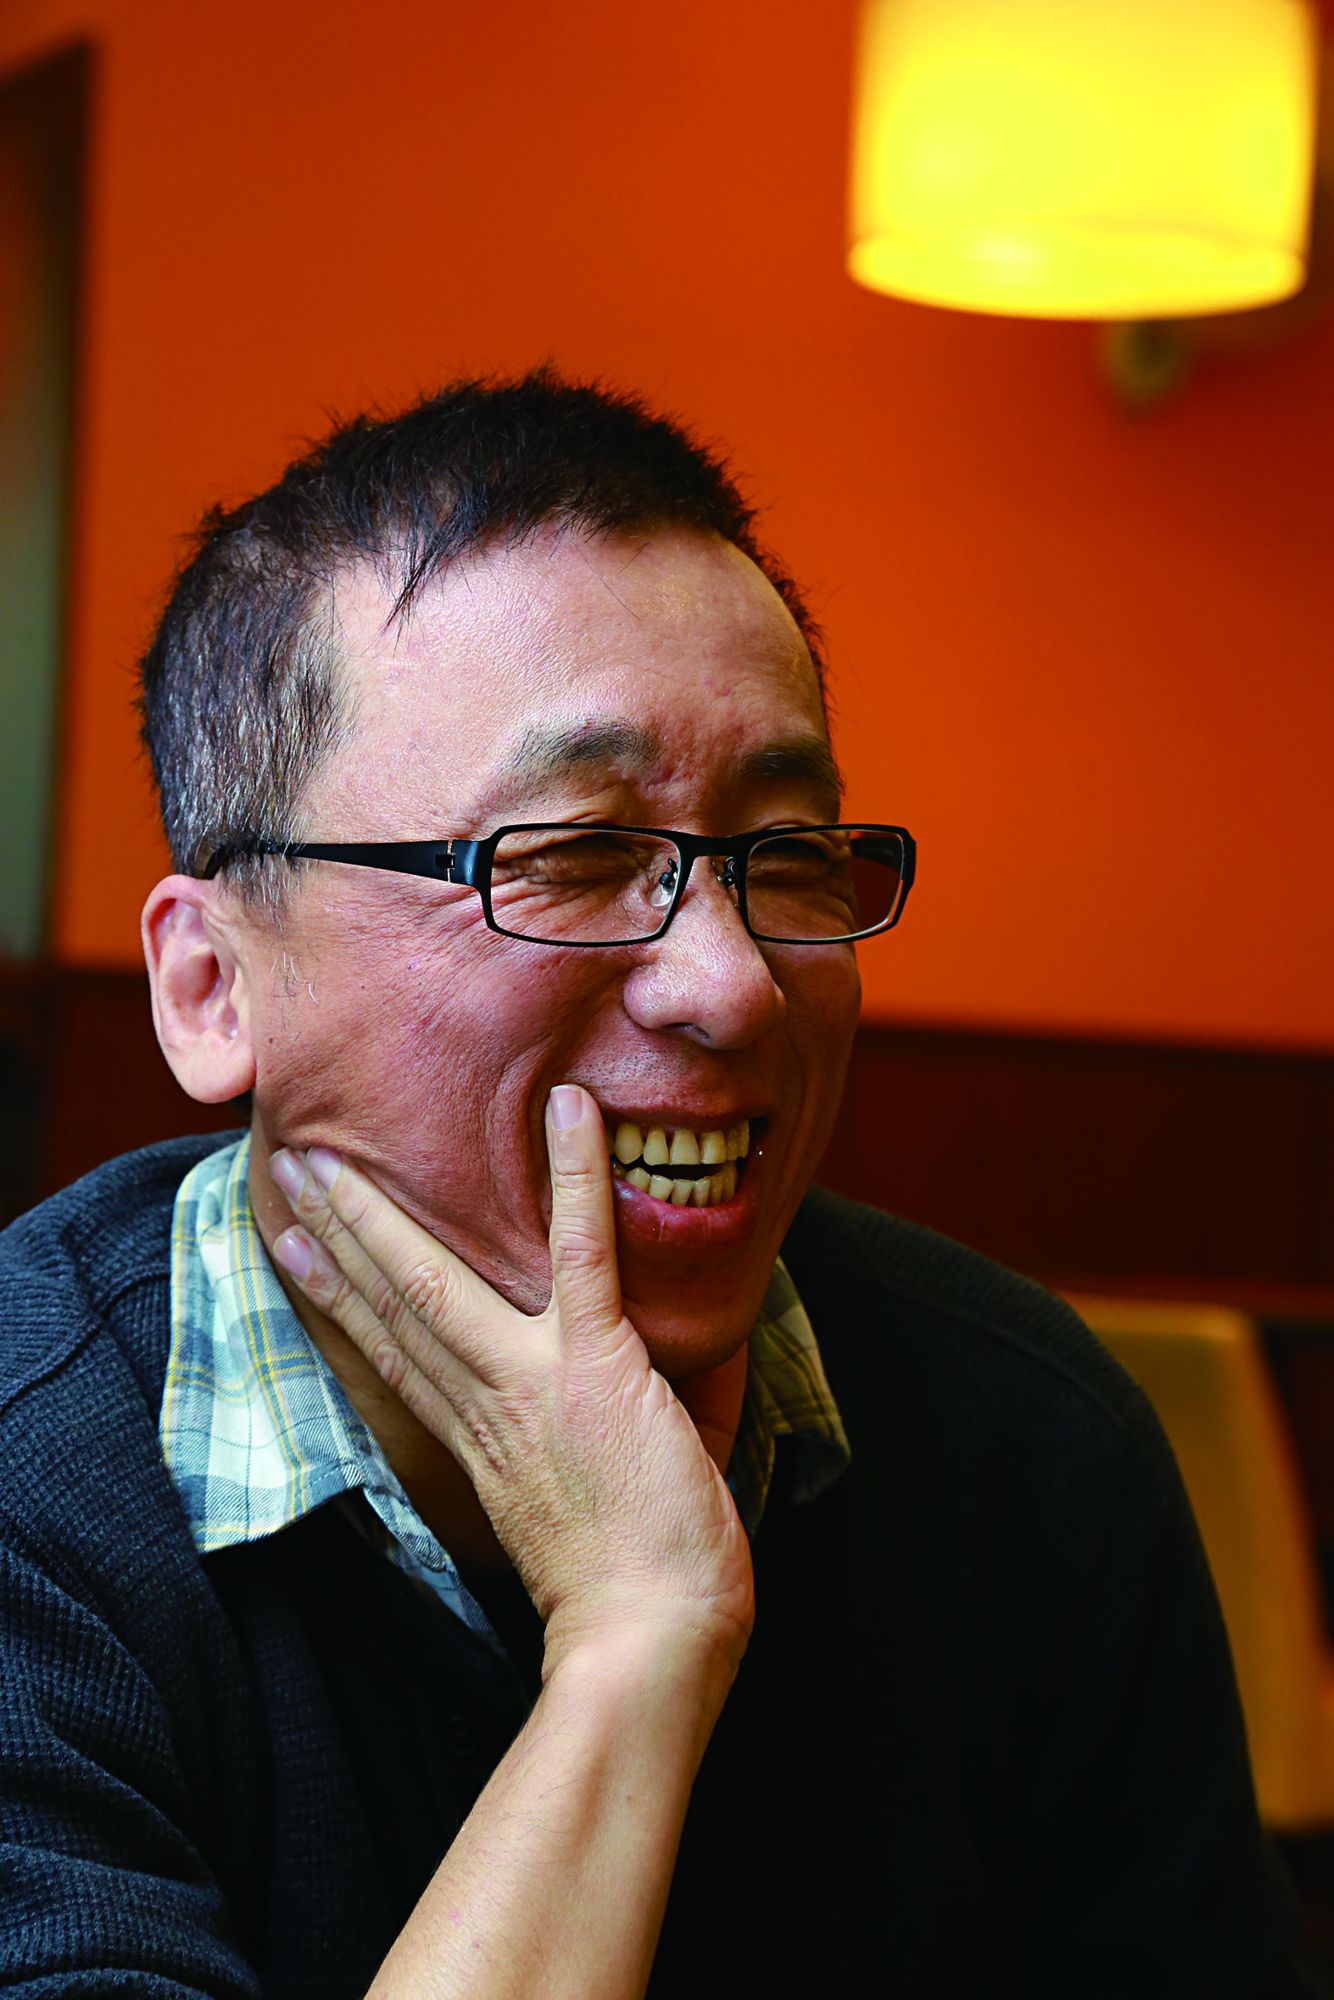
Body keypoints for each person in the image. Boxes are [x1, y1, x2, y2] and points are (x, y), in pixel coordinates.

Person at [0, 371, 1320, 1999]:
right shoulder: (34, 1488)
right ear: (213, 988)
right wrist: (637, 1635)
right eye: (568, 857)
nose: (734, 986)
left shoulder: (1026, 1437)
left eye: (787, 855)